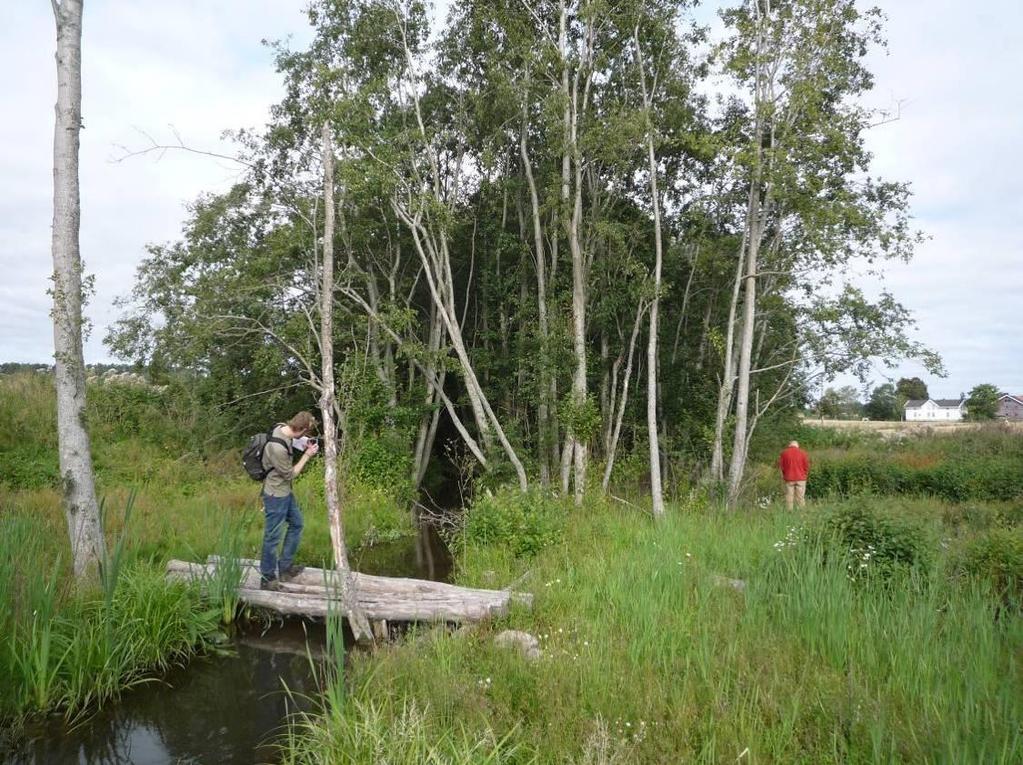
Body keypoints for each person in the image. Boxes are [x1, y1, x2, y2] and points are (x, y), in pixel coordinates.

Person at [260, 411, 319, 591]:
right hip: (275, 494)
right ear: (300, 428)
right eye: (306, 432)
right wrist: (307, 455)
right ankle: (267, 578)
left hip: (285, 492)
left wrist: (303, 443)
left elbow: (292, 439)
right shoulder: (277, 449)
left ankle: (285, 568)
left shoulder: (281, 427)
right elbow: (290, 474)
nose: (307, 435)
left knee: (297, 524)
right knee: (272, 537)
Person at [778, 440, 810, 510]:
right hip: (801, 478)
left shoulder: (784, 453)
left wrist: (784, 475)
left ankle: (790, 512)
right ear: (797, 445)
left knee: (789, 497)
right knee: (800, 497)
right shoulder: (803, 453)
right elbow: (807, 466)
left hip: (789, 478)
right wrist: (805, 475)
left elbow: (781, 466)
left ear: (789, 445)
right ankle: (801, 513)